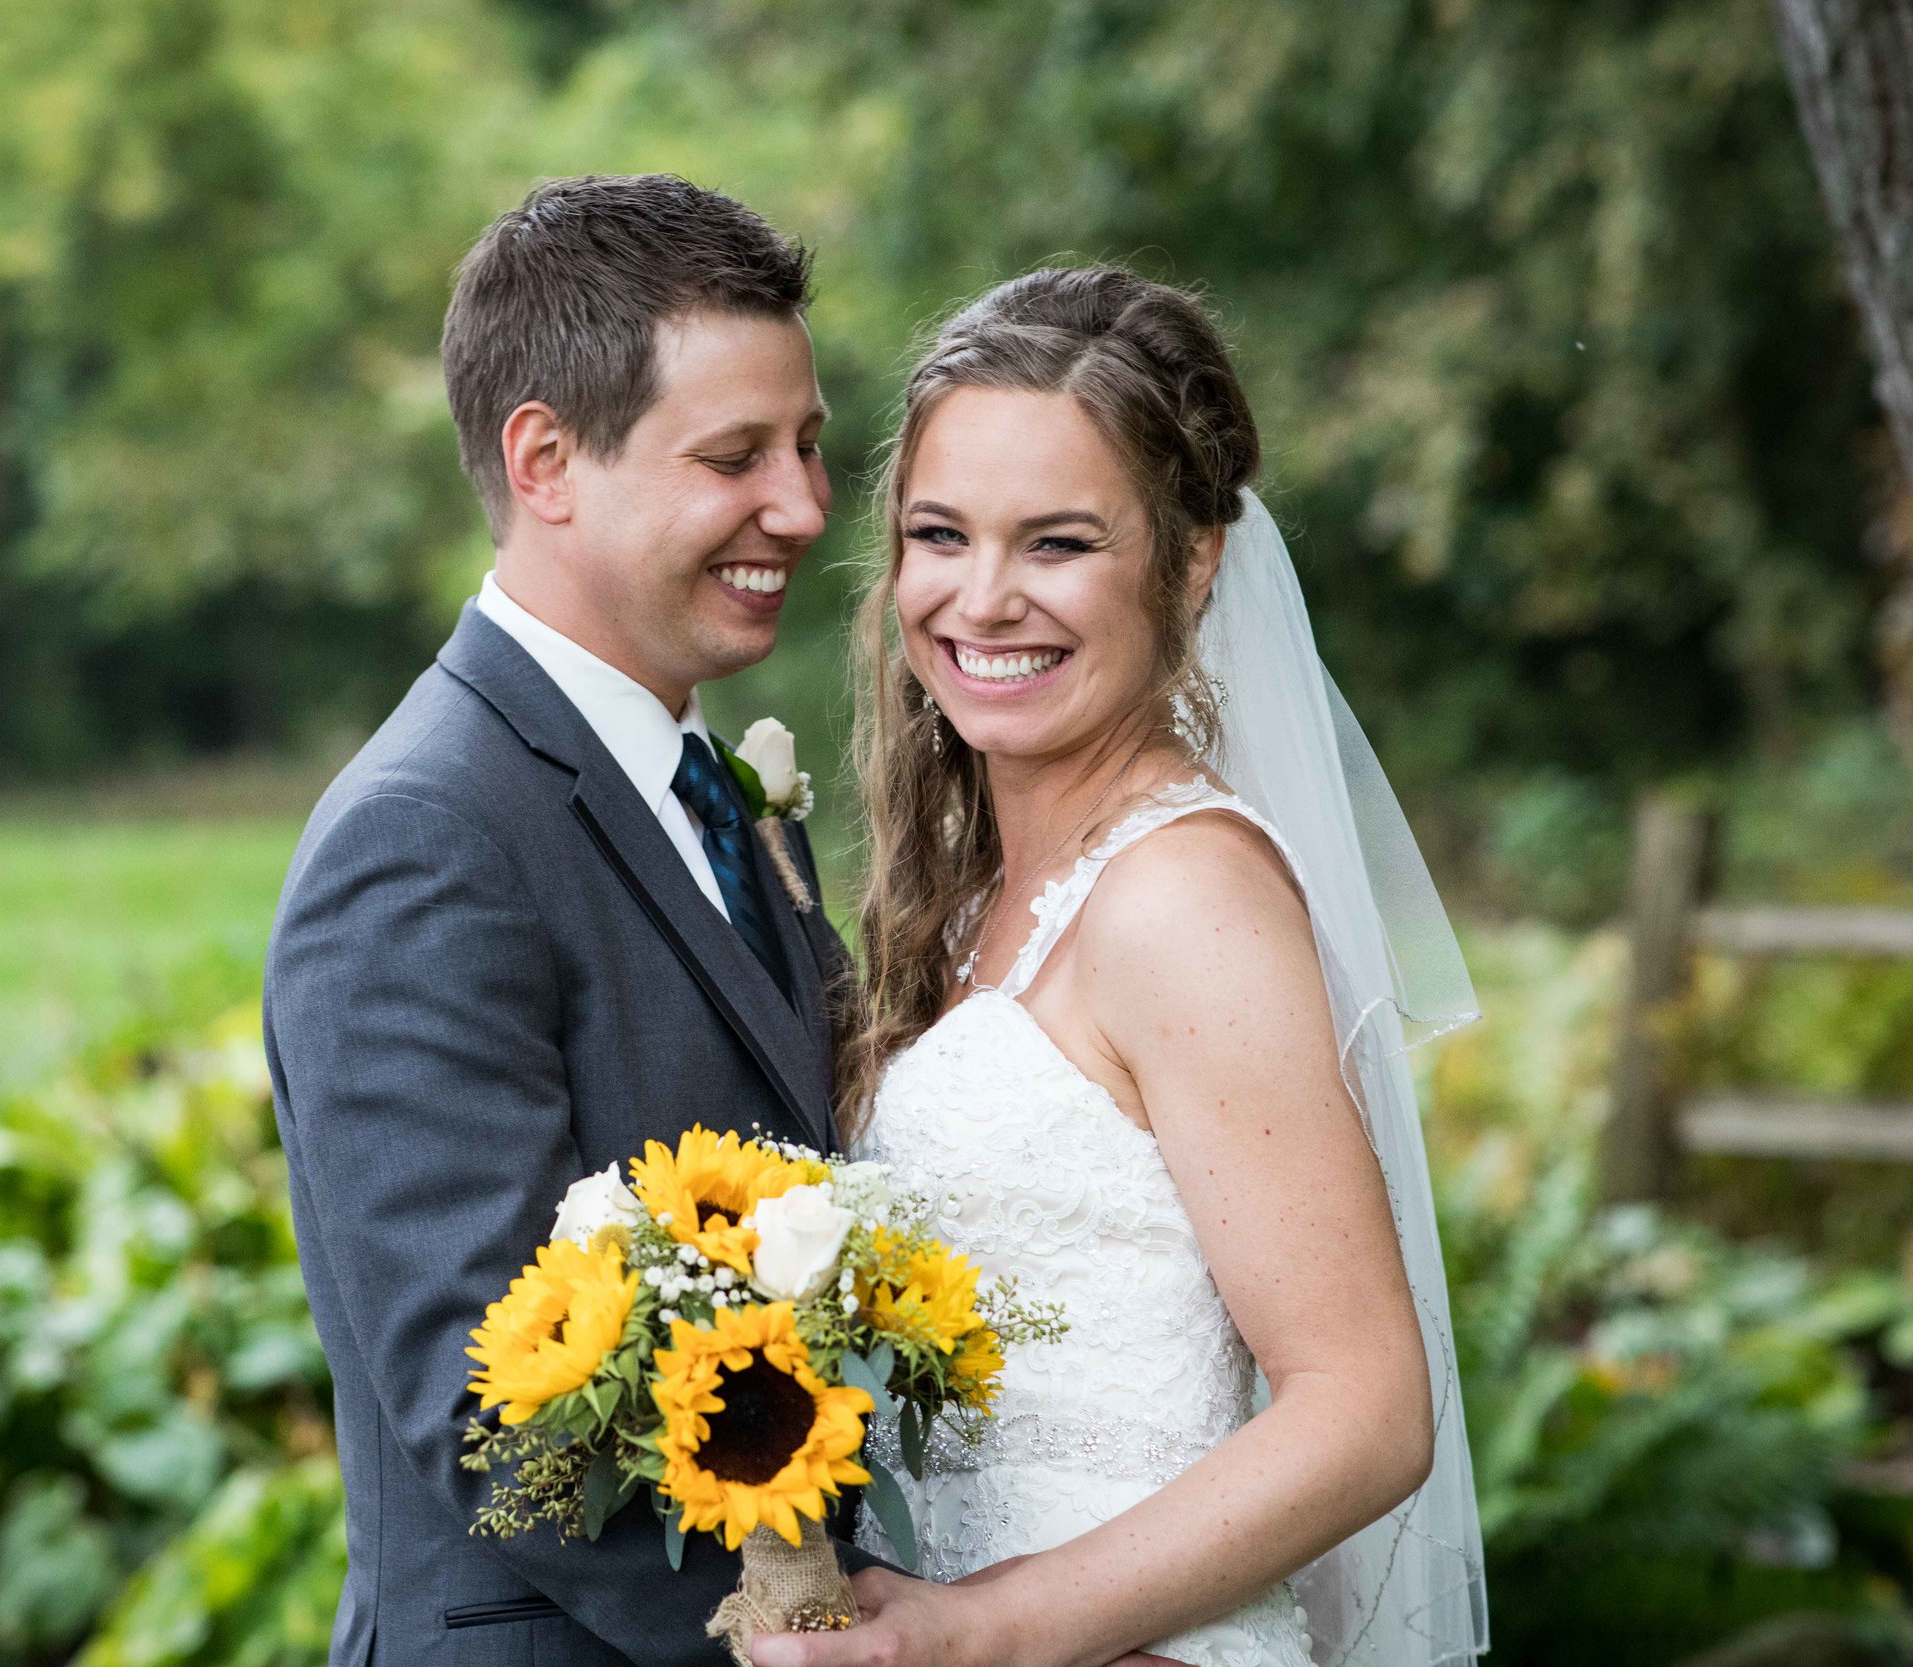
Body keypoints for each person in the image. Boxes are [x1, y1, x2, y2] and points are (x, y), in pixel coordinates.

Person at [750, 266, 1487, 1667]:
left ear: (1192, 563)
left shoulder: (1180, 896)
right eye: (939, 534)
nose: (982, 599)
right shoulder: (974, 896)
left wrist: (986, 1632)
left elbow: (1368, 1408)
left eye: (1059, 544)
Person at [262, 172, 882, 1667]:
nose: (802, 507)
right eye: (734, 456)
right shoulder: (422, 842)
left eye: (805, 445)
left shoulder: (705, 778)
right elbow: (503, 1414)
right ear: (546, 459)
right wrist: (819, 1635)